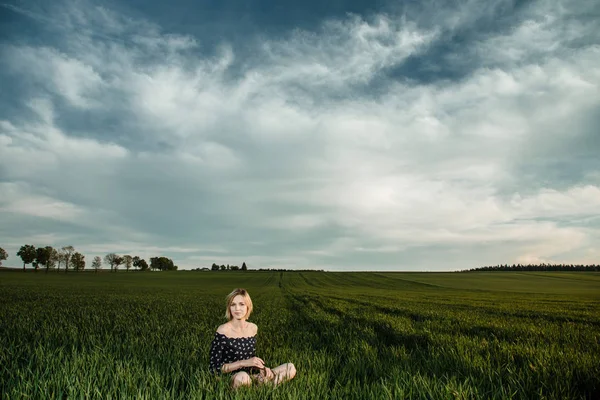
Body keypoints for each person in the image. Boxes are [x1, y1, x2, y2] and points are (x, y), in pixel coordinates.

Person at [209, 288, 296, 389]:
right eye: (233, 304)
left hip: (252, 375)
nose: (237, 308)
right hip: (234, 377)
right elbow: (214, 368)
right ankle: (259, 388)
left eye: (241, 304)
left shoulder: (253, 328)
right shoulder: (223, 330)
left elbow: (250, 358)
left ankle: (270, 388)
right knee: (243, 377)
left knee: (290, 367)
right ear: (229, 308)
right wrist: (242, 363)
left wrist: (262, 368)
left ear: (248, 306)